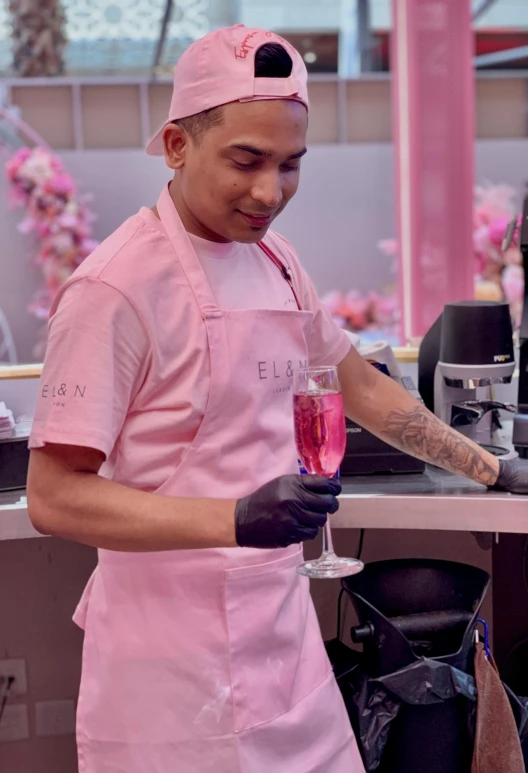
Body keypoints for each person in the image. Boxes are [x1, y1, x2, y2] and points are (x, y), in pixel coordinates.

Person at [26, 23, 528, 773]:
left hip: (280, 641)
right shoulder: (115, 289)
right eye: (247, 160)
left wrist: (492, 467)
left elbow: (357, 384)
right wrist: (233, 516)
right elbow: (55, 495)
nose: (271, 192)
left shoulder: (275, 258)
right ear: (174, 144)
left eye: (291, 165)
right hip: (168, 671)